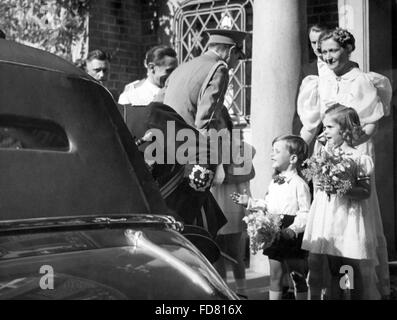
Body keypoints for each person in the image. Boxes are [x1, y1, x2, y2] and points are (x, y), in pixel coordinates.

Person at [297, 28, 391, 298]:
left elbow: (371, 122)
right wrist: (298, 151)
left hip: (353, 151)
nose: (327, 57)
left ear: (348, 49)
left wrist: (350, 151)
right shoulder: (320, 81)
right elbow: (311, 123)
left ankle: (352, 289)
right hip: (326, 151)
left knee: (350, 224)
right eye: (323, 51)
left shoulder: (362, 80)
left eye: (333, 50)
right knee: (327, 218)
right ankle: (330, 290)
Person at [302, 104, 387, 300]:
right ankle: (337, 296)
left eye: (329, 127)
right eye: (324, 128)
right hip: (328, 218)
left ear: (346, 130)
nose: (325, 132)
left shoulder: (358, 158)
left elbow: (365, 192)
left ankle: (351, 295)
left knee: (349, 269)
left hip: (347, 220)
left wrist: (342, 188)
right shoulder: (324, 156)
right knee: (334, 268)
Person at [232, 135, 311, 300]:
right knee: (275, 274)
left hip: (291, 231)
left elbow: (305, 213)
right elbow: (268, 204)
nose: (271, 154)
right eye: (272, 150)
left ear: (293, 158)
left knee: (296, 275)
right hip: (273, 229)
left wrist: (293, 230)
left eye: (277, 151)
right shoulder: (274, 182)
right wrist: (250, 202)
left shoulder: (299, 184)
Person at [162, 28, 248, 135]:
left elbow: (158, 102)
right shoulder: (219, 69)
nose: (235, 65)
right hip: (189, 142)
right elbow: (207, 119)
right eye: (238, 57)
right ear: (231, 51)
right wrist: (207, 149)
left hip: (166, 138)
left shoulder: (182, 68)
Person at [211, 107, 255, 297]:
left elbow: (249, 173)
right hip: (214, 201)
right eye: (211, 122)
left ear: (227, 123)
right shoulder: (206, 145)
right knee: (216, 252)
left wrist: (220, 170)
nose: (215, 126)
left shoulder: (240, 146)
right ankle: (223, 292)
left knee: (235, 252)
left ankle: (241, 292)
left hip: (232, 202)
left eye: (218, 121)